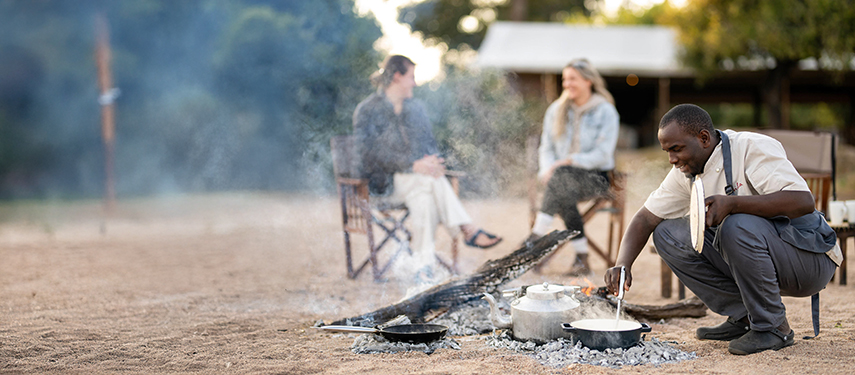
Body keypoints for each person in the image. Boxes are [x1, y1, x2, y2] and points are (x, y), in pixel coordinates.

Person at [604, 104, 842, 355]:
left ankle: (773, 328)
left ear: (704, 138)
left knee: (736, 224)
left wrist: (733, 203)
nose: (672, 160)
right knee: (667, 234)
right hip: (763, 252)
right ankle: (745, 317)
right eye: (667, 152)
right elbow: (645, 218)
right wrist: (622, 264)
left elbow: (803, 201)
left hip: (809, 256)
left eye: (676, 149)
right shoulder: (685, 171)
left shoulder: (751, 147)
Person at [352, 55, 502, 277]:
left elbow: (429, 145)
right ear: (396, 77)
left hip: (417, 184)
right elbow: (367, 156)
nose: (414, 82)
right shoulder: (367, 110)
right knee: (426, 182)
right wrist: (412, 165)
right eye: (411, 77)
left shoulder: (415, 109)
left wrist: (433, 162)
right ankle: (467, 229)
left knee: (425, 193)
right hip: (380, 187)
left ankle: (423, 269)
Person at [527, 58, 619, 275]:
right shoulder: (555, 110)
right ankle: (582, 259)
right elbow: (546, 148)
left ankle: (535, 237)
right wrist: (546, 170)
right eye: (564, 79)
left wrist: (569, 161)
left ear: (588, 81)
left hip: (596, 178)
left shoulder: (605, 111)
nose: (567, 84)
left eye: (572, 79)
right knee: (562, 184)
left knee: (562, 177)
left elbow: (603, 153)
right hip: (561, 179)